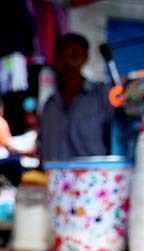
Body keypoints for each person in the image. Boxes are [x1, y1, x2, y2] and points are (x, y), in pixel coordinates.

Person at [39, 32, 114, 163]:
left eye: (74, 55)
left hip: (93, 174)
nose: (68, 62)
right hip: (53, 175)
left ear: (85, 58)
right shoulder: (49, 106)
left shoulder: (100, 97)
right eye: (62, 56)